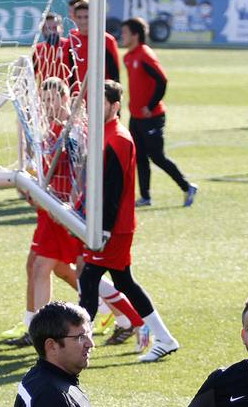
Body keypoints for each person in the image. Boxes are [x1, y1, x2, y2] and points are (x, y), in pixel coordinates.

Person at [76, 80, 180, 362]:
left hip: (114, 227)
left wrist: (105, 228)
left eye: (100, 102)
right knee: (119, 280)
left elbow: (114, 186)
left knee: (90, 279)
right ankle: (164, 337)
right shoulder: (104, 133)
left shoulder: (118, 138)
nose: (92, 107)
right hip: (110, 225)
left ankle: (75, 346)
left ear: (115, 106)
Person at [8, 77, 86, 348]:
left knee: (42, 267)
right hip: (50, 208)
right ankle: (117, 310)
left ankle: (37, 333)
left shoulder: (73, 130)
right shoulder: (54, 129)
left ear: (65, 99)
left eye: (53, 99)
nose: (48, 105)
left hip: (62, 211)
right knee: (52, 268)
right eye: (45, 100)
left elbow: (78, 172)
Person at [119, 17, 198, 209]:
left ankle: (187, 186)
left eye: (125, 33)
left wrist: (151, 105)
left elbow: (162, 81)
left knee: (158, 157)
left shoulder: (145, 54)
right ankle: (145, 196)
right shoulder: (128, 57)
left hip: (151, 117)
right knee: (139, 158)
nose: (122, 36)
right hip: (136, 117)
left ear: (135, 35)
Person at [66, 0, 120, 89]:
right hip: (78, 96)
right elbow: (68, 72)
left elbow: (115, 72)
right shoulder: (71, 41)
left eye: (87, 17)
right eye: (79, 17)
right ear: (74, 18)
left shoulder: (106, 40)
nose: (83, 21)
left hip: (101, 96)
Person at [32, 12, 73, 85]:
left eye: (54, 28)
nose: (51, 31)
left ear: (61, 28)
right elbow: (32, 75)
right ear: (43, 30)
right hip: (45, 93)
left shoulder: (69, 45)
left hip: (67, 91)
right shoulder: (38, 49)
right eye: (48, 28)